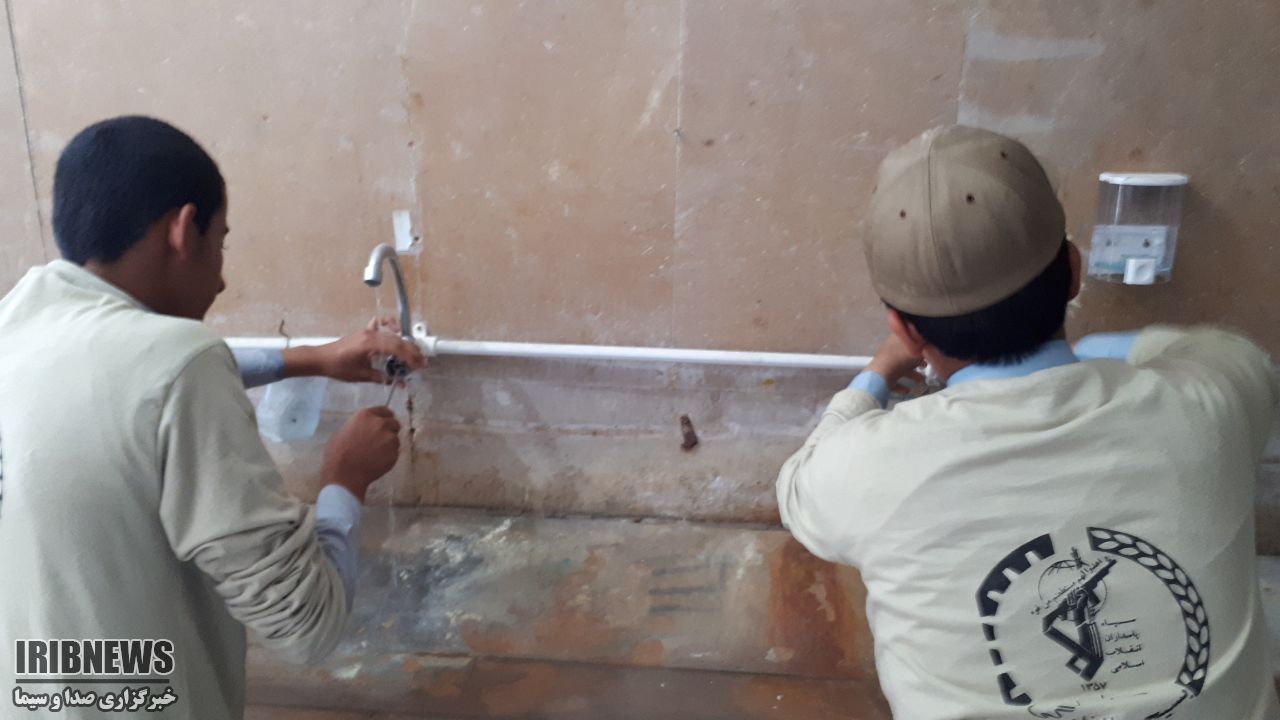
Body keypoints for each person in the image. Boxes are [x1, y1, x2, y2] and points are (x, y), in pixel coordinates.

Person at [776, 125, 1280, 718]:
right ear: (1073, 269)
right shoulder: (1214, 399)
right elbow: (1220, 351)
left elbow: (798, 488)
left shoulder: (869, 468)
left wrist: (879, 373)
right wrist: (1091, 354)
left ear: (904, 329)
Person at [0, 115, 425, 719]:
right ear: (182, 230)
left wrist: (310, 359)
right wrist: (345, 477)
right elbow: (306, 625)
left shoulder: (19, 322)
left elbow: (139, 381)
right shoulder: (181, 364)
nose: (222, 280)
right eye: (220, 242)